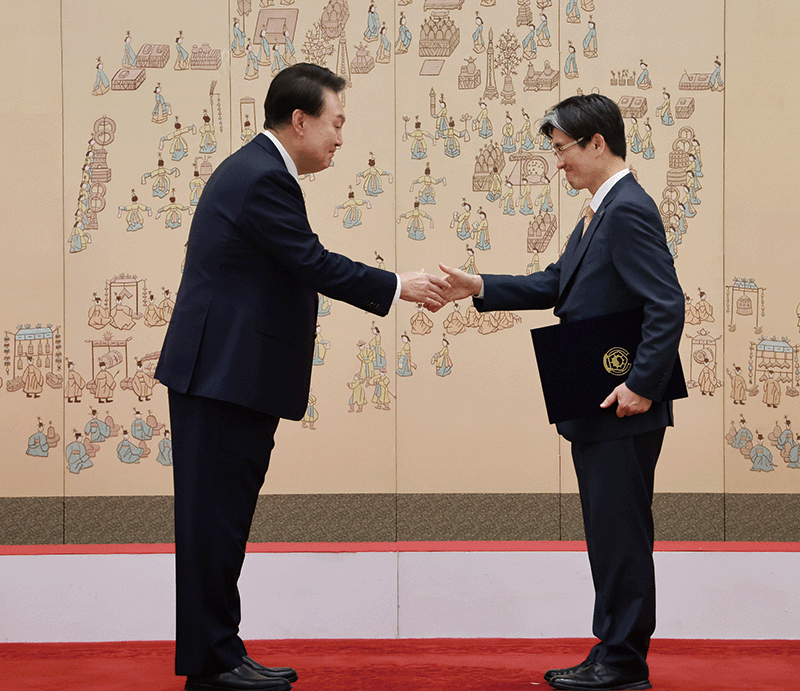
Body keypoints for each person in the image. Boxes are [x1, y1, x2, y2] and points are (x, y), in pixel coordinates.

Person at [154, 63, 446, 691]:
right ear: (300, 120)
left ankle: (219, 652)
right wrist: (400, 286)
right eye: (336, 123)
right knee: (214, 523)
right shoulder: (263, 177)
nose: (341, 138)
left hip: (227, 375)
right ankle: (212, 662)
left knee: (220, 521)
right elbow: (310, 262)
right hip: (221, 376)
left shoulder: (259, 172)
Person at [440, 93, 683, 691]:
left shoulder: (625, 209)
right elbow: (557, 283)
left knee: (620, 535)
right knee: (608, 532)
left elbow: (666, 302)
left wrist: (641, 386)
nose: (558, 163)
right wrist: (478, 284)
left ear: (597, 142)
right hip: (596, 406)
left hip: (621, 407)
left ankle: (623, 663)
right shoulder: (599, 211)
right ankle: (612, 651)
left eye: (563, 149)